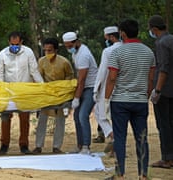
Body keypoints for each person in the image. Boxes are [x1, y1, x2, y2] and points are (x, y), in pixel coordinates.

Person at [105, 19, 155, 179]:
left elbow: (112, 78)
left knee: (120, 137)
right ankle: (143, 175)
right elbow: (150, 79)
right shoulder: (148, 52)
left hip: (120, 100)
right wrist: (144, 96)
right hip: (140, 101)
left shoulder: (117, 52)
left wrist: (106, 99)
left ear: (122, 33)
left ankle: (120, 174)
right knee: (142, 138)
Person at [0, 31, 44, 155]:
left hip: (24, 90)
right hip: (8, 91)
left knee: (24, 118)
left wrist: (43, 87)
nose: (14, 46)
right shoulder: (3, 54)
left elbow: (34, 71)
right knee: (5, 118)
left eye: (17, 44)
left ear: (21, 42)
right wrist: (0, 89)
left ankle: (24, 145)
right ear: (8, 42)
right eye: (12, 44)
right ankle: (4, 144)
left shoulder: (28, 53)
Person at [32, 38, 74, 154]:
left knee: (60, 120)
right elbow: (39, 78)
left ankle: (56, 146)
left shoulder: (64, 62)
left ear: (55, 50)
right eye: (45, 51)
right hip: (46, 95)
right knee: (42, 119)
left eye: (50, 50)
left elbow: (70, 76)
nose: (47, 53)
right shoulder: (41, 61)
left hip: (61, 95)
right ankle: (38, 146)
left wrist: (63, 89)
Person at [62, 31, 98, 154]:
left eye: (70, 46)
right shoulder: (75, 54)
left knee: (83, 115)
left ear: (76, 42)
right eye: (66, 46)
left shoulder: (83, 54)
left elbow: (82, 79)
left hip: (90, 87)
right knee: (77, 117)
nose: (68, 49)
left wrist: (77, 97)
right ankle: (80, 145)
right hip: (82, 87)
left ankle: (86, 146)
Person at [148, 15, 173, 169]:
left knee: (163, 125)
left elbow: (163, 68)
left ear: (154, 29)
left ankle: (167, 158)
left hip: (164, 90)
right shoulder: (171, 39)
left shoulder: (161, 43)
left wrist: (157, 90)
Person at [93, 26, 122, 155]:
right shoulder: (125, 48)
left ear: (111, 37)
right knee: (117, 117)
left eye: (106, 38)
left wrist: (96, 89)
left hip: (108, 86)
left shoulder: (108, 51)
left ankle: (113, 137)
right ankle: (116, 144)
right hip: (123, 87)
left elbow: (102, 71)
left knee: (100, 114)